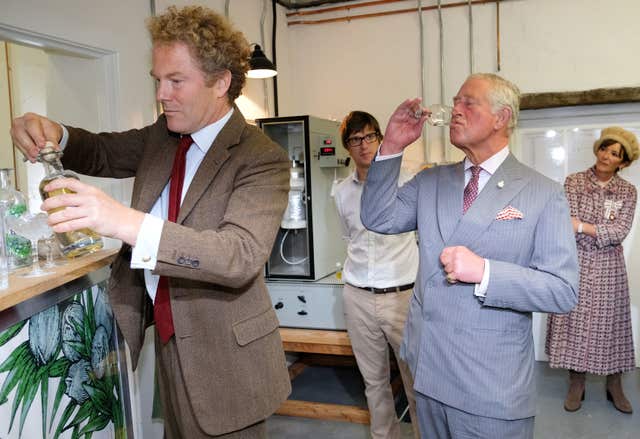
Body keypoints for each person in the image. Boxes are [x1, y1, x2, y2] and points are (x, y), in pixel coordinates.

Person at [10, 6, 291, 438]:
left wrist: (125, 222)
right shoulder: (163, 136)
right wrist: (54, 132)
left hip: (228, 360)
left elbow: (238, 256)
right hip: (165, 342)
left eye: (176, 81)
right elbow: (101, 151)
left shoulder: (260, 158)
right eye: (157, 80)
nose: (162, 93)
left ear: (221, 83)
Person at [360, 73, 579, 439]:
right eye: (455, 102)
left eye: (468, 103)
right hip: (428, 371)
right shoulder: (432, 182)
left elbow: (562, 290)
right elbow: (378, 217)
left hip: (490, 384)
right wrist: (392, 146)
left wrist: (486, 273)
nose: (454, 110)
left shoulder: (543, 193)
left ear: (501, 117)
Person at [334, 111, 420, 439]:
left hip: (403, 295)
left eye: (369, 137)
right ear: (347, 146)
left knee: (415, 380)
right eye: (355, 140)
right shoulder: (341, 193)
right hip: (358, 295)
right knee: (374, 383)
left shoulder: (408, 181)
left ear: (381, 139)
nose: (364, 145)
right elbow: (349, 238)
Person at [546, 126, 638, 414]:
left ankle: (614, 384)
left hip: (610, 266)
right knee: (574, 321)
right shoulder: (573, 182)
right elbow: (565, 223)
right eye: (604, 149)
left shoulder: (627, 191)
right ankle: (577, 383)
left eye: (614, 154)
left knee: (612, 324)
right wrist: (594, 231)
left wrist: (584, 227)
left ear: (623, 163)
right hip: (576, 262)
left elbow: (619, 231)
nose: (606, 156)